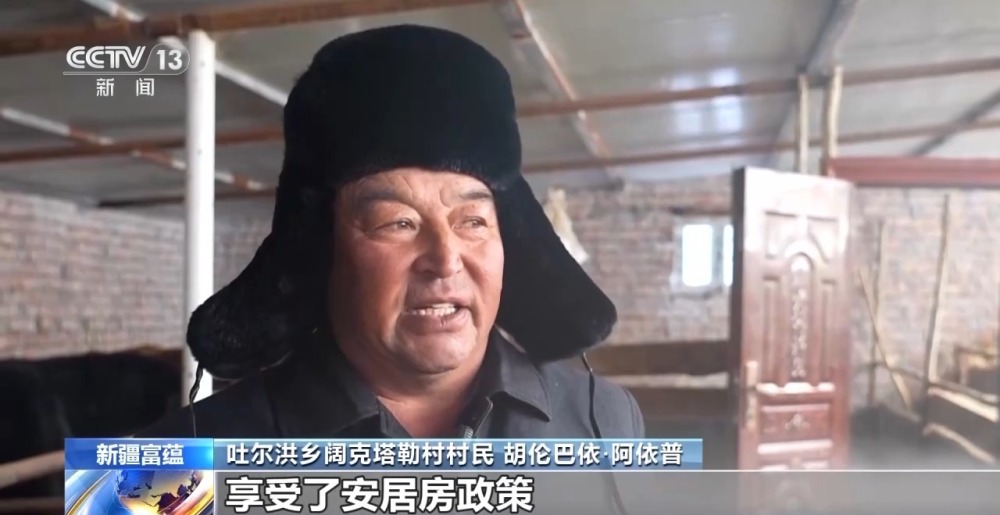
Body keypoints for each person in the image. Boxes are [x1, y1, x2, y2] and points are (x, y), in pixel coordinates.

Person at [139, 24, 642, 444]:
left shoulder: (609, 423)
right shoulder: (179, 459)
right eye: (398, 223)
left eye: (472, 221)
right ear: (322, 247)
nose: (445, 259)